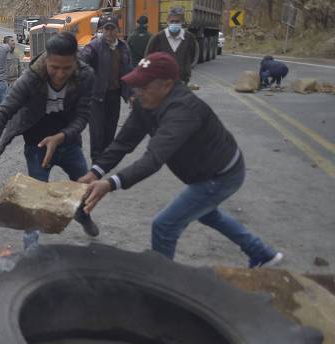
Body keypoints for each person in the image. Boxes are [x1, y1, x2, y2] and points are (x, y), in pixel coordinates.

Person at [79, 52, 283, 268]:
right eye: (136, 85)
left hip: (222, 175)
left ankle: (163, 283)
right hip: (204, 172)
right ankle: (263, 254)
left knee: (164, 225)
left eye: (144, 86)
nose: (137, 92)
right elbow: (123, 142)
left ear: (167, 85)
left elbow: (153, 159)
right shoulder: (145, 102)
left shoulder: (183, 110)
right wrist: (95, 172)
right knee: (206, 214)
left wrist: (110, 184)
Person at [0, 32, 99, 248]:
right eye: (54, 67)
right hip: (36, 145)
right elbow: (3, 112)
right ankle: (31, 247)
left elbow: (83, 116)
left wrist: (60, 137)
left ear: (75, 60)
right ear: (47, 59)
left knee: (83, 188)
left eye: (66, 68)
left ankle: (83, 216)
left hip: (69, 141)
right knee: (34, 200)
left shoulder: (86, 76)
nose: (59, 74)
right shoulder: (31, 78)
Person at [79, 14, 132, 162]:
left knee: (110, 129)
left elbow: (128, 71)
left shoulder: (123, 47)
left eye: (112, 28)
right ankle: (96, 160)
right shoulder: (94, 46)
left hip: (114, 95)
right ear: (102, 30)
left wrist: (130, 94)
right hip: (96, 97)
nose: (109, 32)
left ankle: (105, 160)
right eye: (106, 29)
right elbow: (81, 61)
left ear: (117, 30)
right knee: (97, 131)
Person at [144, 6, 197, 84]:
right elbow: (148, 58)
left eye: (177, 21)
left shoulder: (189, 38)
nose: (174, 24)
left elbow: (193, 56)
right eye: (172, 21)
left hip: (182, 82)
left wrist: (186, 71)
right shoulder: (157, 38)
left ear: (182, 21)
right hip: (161, 83)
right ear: (167, 21)